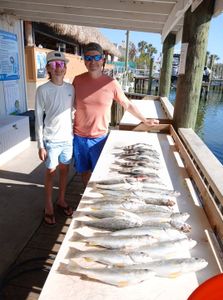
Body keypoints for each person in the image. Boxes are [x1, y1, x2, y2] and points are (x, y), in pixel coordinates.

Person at [72, 42, 159, 186]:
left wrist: (145, 120)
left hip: (99, 138)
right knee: (84, 171)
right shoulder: (77, 80)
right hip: (79, 137)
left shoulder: (111, 83)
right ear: (84, 60)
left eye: (96, 57)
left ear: (102, 59)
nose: (92, 62)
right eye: (88, 58)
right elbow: (71, 103)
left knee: (100, 172)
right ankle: (85, 194)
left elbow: (127, 104)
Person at [35, 51, 75, 225]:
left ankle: (61, 199)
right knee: (51, 172)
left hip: (68, 139)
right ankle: (48, 205)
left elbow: (73, 110)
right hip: (51, 140)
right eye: (54, 64)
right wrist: (40, 145)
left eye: (62, 65)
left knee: (65, 170)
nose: (58, 68)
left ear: (66, 68)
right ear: (48, 68)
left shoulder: (71, 88)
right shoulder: (42, 90)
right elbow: (38, 117)